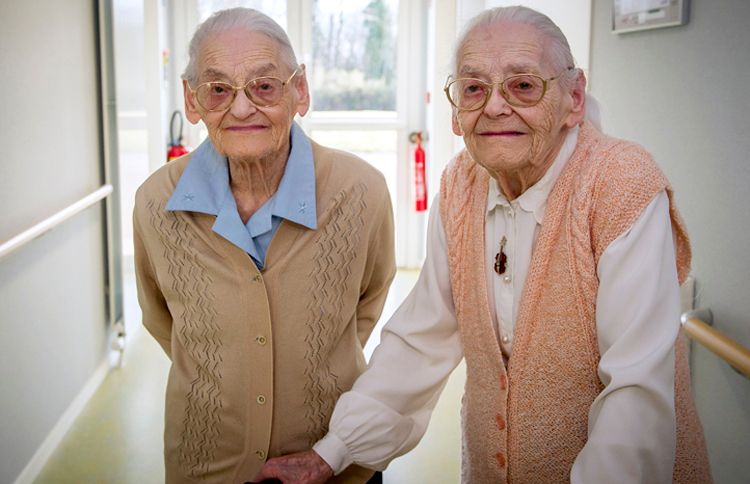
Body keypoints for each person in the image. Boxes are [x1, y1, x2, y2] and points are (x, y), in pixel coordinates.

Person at [254, 6, 712, 484]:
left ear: (574, 97)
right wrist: (333, 451)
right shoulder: (459, 185)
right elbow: (423, 337)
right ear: (456, 111)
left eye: (523, 85)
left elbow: (635, 395)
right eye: (474, 88)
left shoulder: (622, 184)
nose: (495, 106)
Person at [132, 7, 395, 483]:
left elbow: (369, 299)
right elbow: (162, 320)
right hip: (206, 466)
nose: (240, 108)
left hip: (337, 465)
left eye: (264, 85)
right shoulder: (155, 203)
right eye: (218, 89)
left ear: (300, 91)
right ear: (192, 102)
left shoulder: (362, 190)